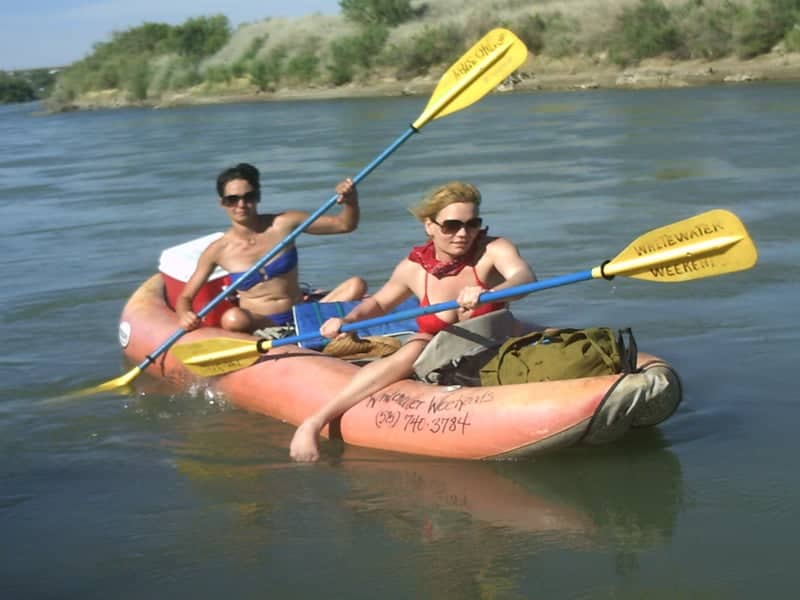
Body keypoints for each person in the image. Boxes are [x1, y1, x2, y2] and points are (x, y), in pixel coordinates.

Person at [289, 181, 537, 461]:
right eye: (451, 225)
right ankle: (314, 422)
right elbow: (380, 303)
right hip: (435, 348)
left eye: (472, 224)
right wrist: (347, 320)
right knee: (413, 349)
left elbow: (524, 279)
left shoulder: (492, 250)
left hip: (493, 341)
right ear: (429, 226)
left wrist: (491, 293)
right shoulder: (414, 269)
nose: (463, 234)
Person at [176, 162, 367, 333]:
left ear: (258, 197)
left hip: (302, 313)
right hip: (263, 323)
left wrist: (351, 201)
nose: (241, 204)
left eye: (248, 196)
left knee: (356, 285)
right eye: (232, 199)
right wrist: (185, 314)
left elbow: (344, 225)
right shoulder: (217, 250)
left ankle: (311, 324)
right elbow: (185, 297)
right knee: (233, 318)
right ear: (222, 204)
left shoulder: (284, 223)